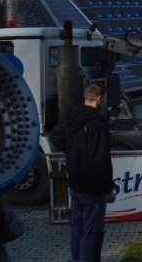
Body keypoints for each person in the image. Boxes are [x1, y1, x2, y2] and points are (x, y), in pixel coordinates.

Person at [49, 84, 115, 262]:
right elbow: (101, 160)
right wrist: (107, 189)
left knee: (76, 227)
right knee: (90, 231)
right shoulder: (97, 124)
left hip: (75, 183)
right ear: (99, 99)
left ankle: (76, 258)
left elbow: (55, 137)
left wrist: (72, 152)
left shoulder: (71, 118)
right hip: (91, 187)